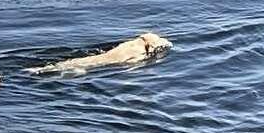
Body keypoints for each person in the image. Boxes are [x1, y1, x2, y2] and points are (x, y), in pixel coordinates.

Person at [27, 31, 172, 75]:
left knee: (67, 64)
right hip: (93, 65)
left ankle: (41, 70)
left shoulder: (128, 44)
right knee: (78, 70)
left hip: (90, 60)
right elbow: (129, 64)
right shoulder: (138, 53)